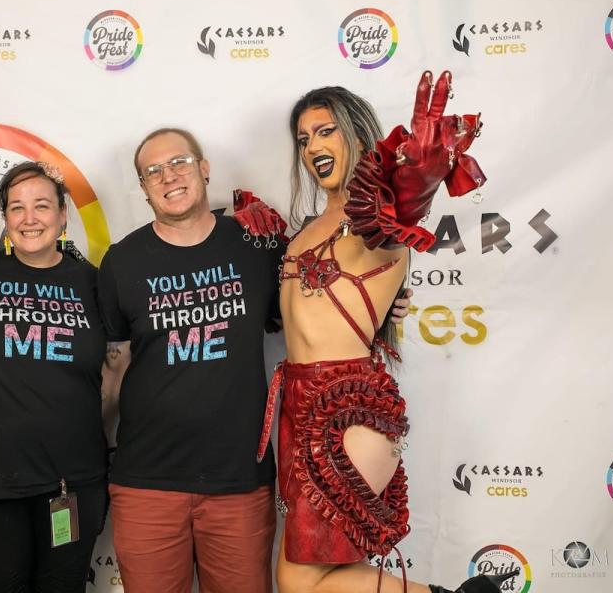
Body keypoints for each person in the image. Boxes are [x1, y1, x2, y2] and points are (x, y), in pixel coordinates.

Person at [96, 128, 409, 593]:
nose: (169, 176)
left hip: (239, 482)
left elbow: (314, 303)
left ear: (204, 169)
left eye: (179, 162)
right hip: (146, 483)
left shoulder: (256, 246)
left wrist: (388, 305)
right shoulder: (121, 261)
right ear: (142, 187)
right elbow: (115, 364)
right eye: (153, 171)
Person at [257, 71, 518, 593]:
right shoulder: (308, 227)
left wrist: (420, 170)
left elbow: (406, 204)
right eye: (304, 139)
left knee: (301, 583)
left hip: (343, 410)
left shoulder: (376, 215)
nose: (313, 147)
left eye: (326, 131)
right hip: (299, 405)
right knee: (300, 575)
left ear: (357, 136)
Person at [0, 162, 117, 592]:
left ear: (63, 216)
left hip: (72, 482)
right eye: (16, 207)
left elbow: (116, 372)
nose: (30, 218)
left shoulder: (95, 284)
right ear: (4, 217)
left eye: (42, 205)